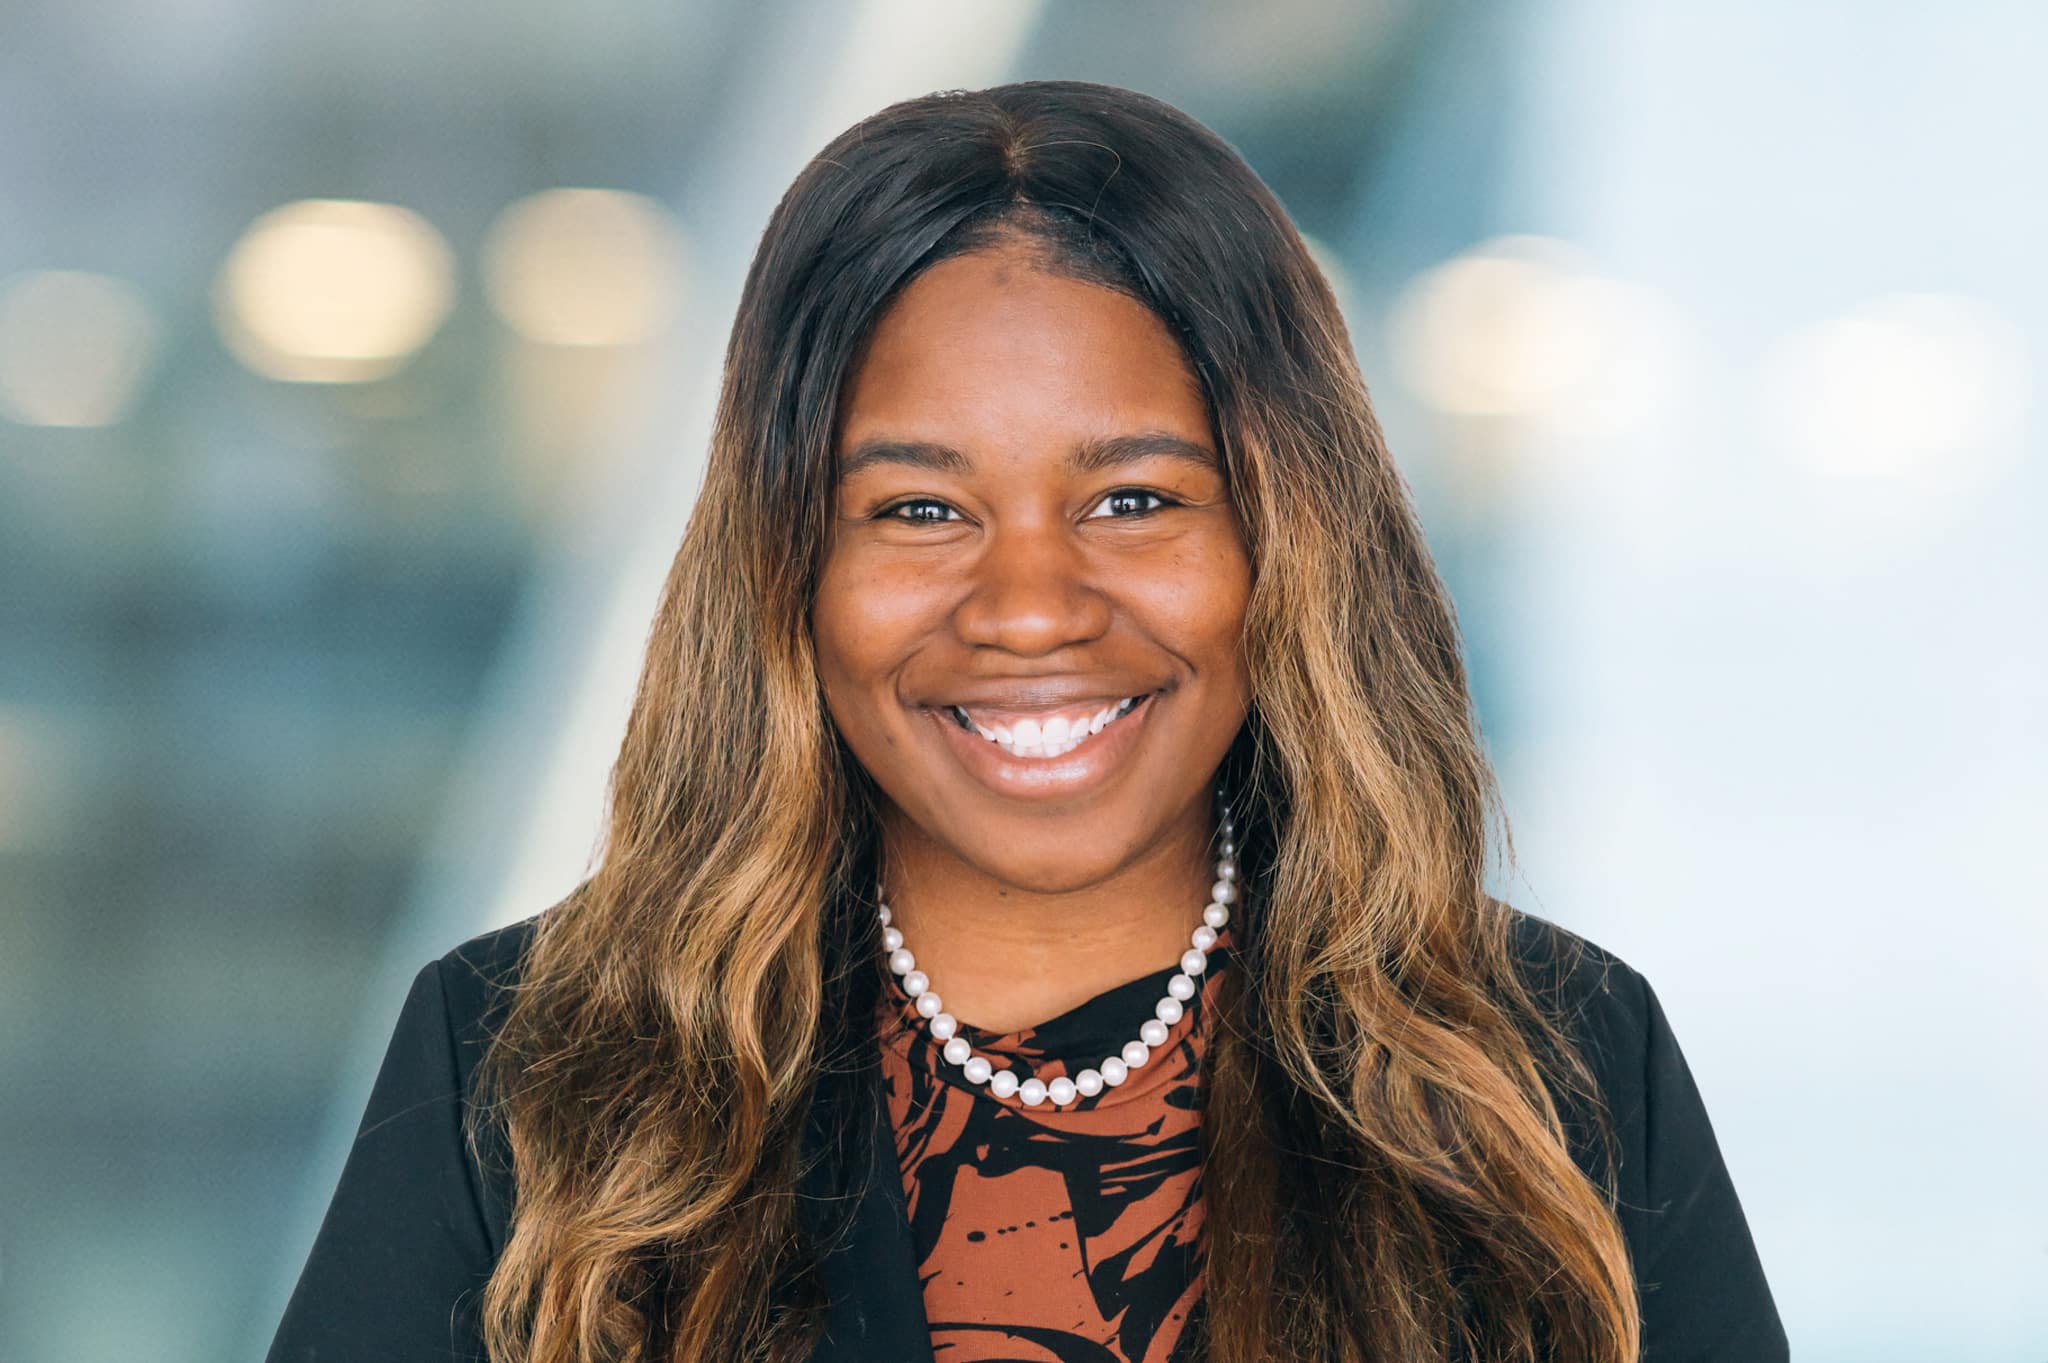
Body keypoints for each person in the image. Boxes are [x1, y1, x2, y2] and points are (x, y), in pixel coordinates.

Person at [265, 80, 1787, 1363]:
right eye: (919, 508)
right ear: (790, 561)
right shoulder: (530, 1072)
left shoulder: (1554, 1069)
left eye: (1133, 499)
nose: (1031, 607)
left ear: (1285, 533)